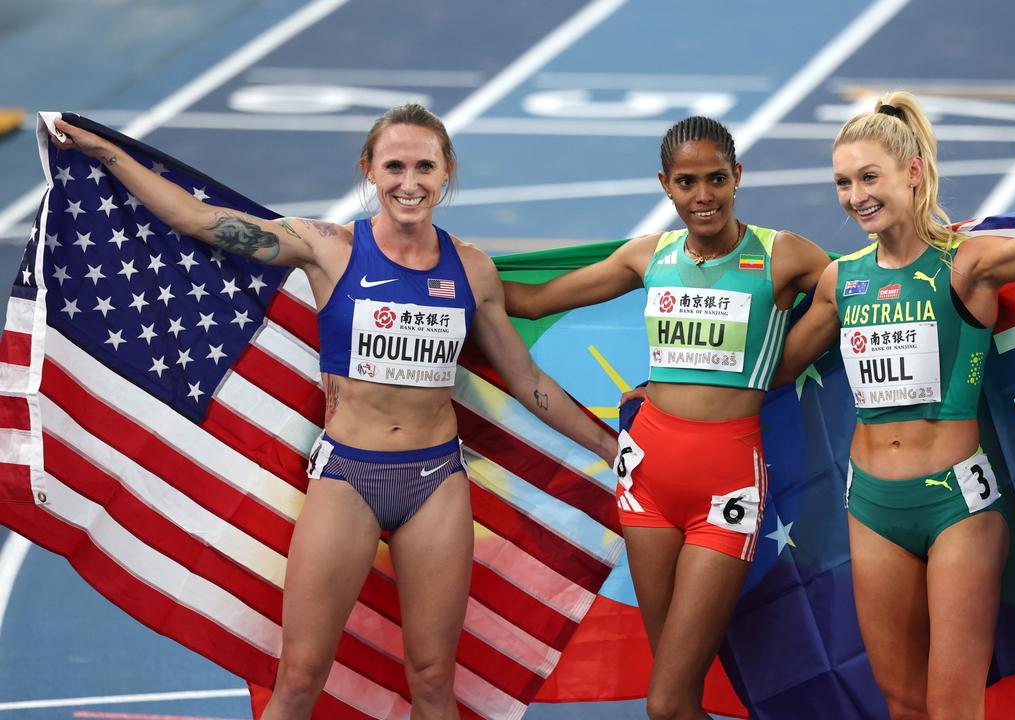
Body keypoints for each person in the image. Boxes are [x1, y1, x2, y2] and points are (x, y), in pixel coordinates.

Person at [52, 104, 617, 720]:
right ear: (368, 170)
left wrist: (612, 447)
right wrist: (105, 152)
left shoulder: (471, 268)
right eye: (394, 165)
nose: (409, 182)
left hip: (436, 482)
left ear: (446, 173)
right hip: (348, 475)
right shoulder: (330, 249)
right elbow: (197, 219)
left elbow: (526, 379)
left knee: (431, 678)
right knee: (298, 677)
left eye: (424, 167)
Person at [773, 91, 1015, 720]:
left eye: (869, 177)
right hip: (869, 506)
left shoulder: (968, 265)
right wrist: (671, 388)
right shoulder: (843, 280)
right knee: (901, 702)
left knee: (952, 708)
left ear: (912, 172)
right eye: (842, 181)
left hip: (957, 505)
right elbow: (774, 371)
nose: (855, 195)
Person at [503, 116, 830, 720]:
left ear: (738, 178)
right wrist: (441, 270)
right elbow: (533, 300)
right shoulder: (648, 256)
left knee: (665, 703)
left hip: (726, 488)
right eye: (686, 182)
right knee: (676, 700)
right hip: (645, 480)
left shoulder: (781, 255)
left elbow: (855, 286)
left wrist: (783, 363)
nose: (702, 196)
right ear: (665, 184)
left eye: (715, 179)